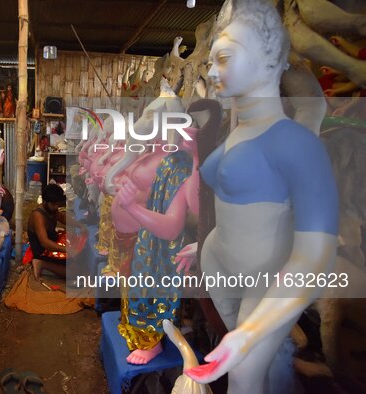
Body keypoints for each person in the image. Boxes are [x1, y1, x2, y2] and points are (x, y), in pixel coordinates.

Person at [183, 1, 338, 393]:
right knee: (256, 365)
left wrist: (251, 331)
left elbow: (315, 257)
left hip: (265, 278)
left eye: (224, 58)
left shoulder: (298, 145)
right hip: (222, 263)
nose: (213, 71)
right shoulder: (239, 131)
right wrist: (202, 247)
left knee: (244, 375)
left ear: (267, 59)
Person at [27, 184, 86, 279]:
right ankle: (41, 263)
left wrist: (80, 225)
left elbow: (62, 218)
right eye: (53, 204)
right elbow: (44, 242)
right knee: (75, 273)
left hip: (52, 244)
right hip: (43, 252)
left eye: (57, 204)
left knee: (80, 258)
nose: (56, 207)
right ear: (45, 202)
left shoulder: (51, 210)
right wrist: (68, 250)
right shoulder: (38, 216)